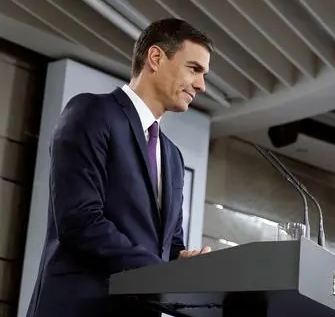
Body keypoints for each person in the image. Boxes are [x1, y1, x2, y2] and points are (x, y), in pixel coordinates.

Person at [27, 18, 214, 317]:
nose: (201, 85)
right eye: (194, 69)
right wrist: (162, 272)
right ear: (155, 58)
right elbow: (80, 220)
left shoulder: (173, 158)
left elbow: (169, 245)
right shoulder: (91, 112)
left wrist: (184, 265)